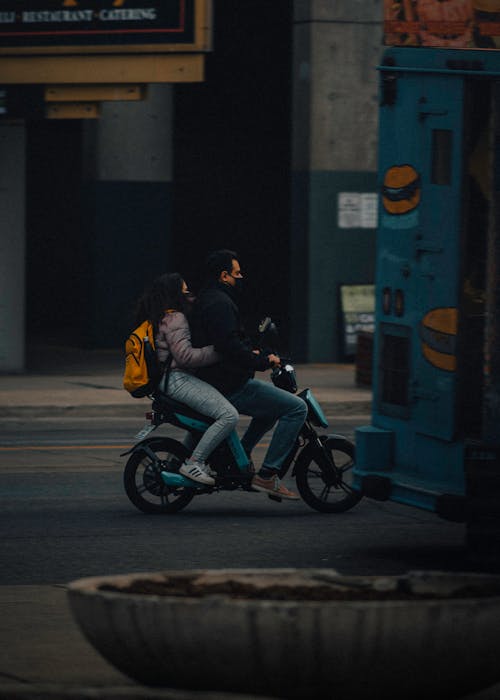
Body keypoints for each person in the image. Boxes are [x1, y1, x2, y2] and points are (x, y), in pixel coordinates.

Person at [191, 249, 308, 500]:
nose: (241, 278)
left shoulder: (209, 299)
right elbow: (228, 347)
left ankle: (240, 455)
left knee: (270, 409)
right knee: (296, 408)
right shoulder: (220, 303)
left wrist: (252, 350)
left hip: (217, 379)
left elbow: (229, 340)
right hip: (230, 384)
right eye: (237, 273)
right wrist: (262, 361)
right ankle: (268, 476)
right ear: (224, 276)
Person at [135, 272, 239, 486]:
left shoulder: (160, 317)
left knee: (206, 421)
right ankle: (195, 462)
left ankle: (177, 463)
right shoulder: (176, 318)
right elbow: (186, 357)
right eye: (185, 292)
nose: (190, 296)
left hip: (167, 381)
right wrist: (220, 351)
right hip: (177, 379)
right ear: (175, 294)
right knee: (228, 415)